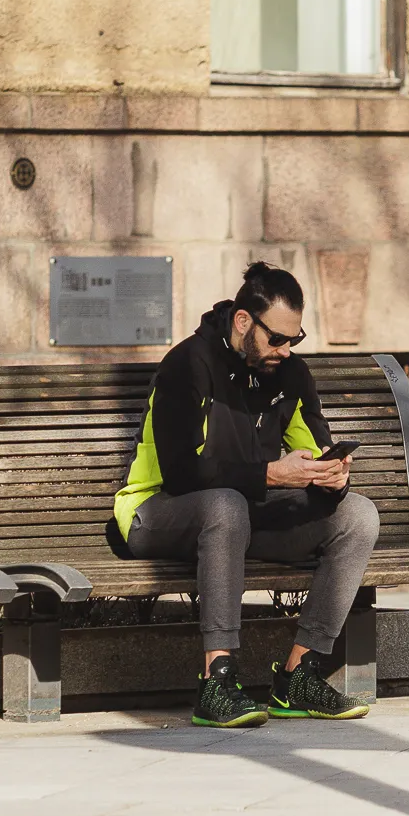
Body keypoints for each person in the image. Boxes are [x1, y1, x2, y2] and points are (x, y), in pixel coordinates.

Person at [110, 262, 380, 728]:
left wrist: (333, 475)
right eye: (276, 339)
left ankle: (299, 674)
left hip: (239, 518)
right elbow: (180, 473)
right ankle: (218, 679)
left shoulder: (290, 376)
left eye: (294, 340)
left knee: (356, 515)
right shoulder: (187, 364)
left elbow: (314, 447)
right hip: (154, 513)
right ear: (242, 321)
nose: (285, 350)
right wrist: (272, 475)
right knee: (225, 504)